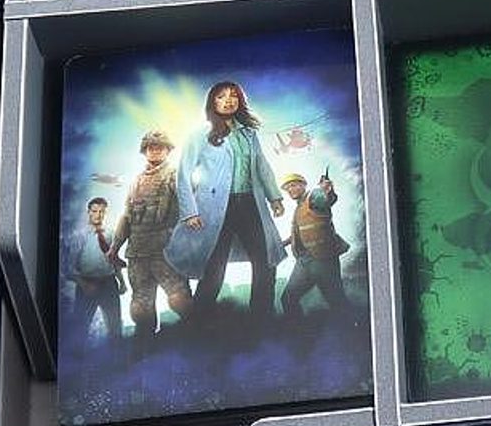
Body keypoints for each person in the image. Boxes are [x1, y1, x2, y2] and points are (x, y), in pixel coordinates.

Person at [168, 81, 286, 319]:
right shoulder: (200, 134)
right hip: (216, 208)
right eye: (221, 96)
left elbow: (261, 166)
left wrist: (274, 197)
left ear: (240, 101)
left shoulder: (249, 133)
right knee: (214, 265)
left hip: (250, 204)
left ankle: (262, 317)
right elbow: (184, 175)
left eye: (234, 96)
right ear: (212, 102)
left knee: (264, 261)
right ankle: (199, 319)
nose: (228, 100)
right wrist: (190, 212)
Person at [111, 130, 191, 334]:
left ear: (168, 150)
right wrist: (114, 249)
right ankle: (146, 345)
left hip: (166, 251)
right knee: (140, 309)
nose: (155, 150)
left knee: (180, 300)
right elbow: (126, 217)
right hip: (138, 253)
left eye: (160, 147)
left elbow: (190, 208)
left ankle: (198, 338)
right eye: (150, 147)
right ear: (144, 151)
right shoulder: (136, 181)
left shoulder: (175, 175)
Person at [279, 171, 351, 314]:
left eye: (293, 185)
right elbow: (301, 233)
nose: (290, 190)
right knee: (287, 298)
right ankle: (298, 327)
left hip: (323, 260)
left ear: (303, 185)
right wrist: (283, 243)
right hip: (304, 262)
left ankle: (351, 325)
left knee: (337, 302)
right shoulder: (299, 208)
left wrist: (326, 190)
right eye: (287, 188)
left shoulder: (313, 196)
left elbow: (326, 199)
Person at [67, 197, 123, 339]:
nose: (98, 215)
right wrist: (83, 284)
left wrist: (122, 281)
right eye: (95, 211)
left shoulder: (110, 234)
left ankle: (117, 351)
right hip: (87, 284)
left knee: (115, 326)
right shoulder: (79, 236)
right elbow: (68, 267)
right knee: (81, 327)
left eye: (101, 211)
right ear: (89, 212)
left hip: (109, 283)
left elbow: (113, 260)